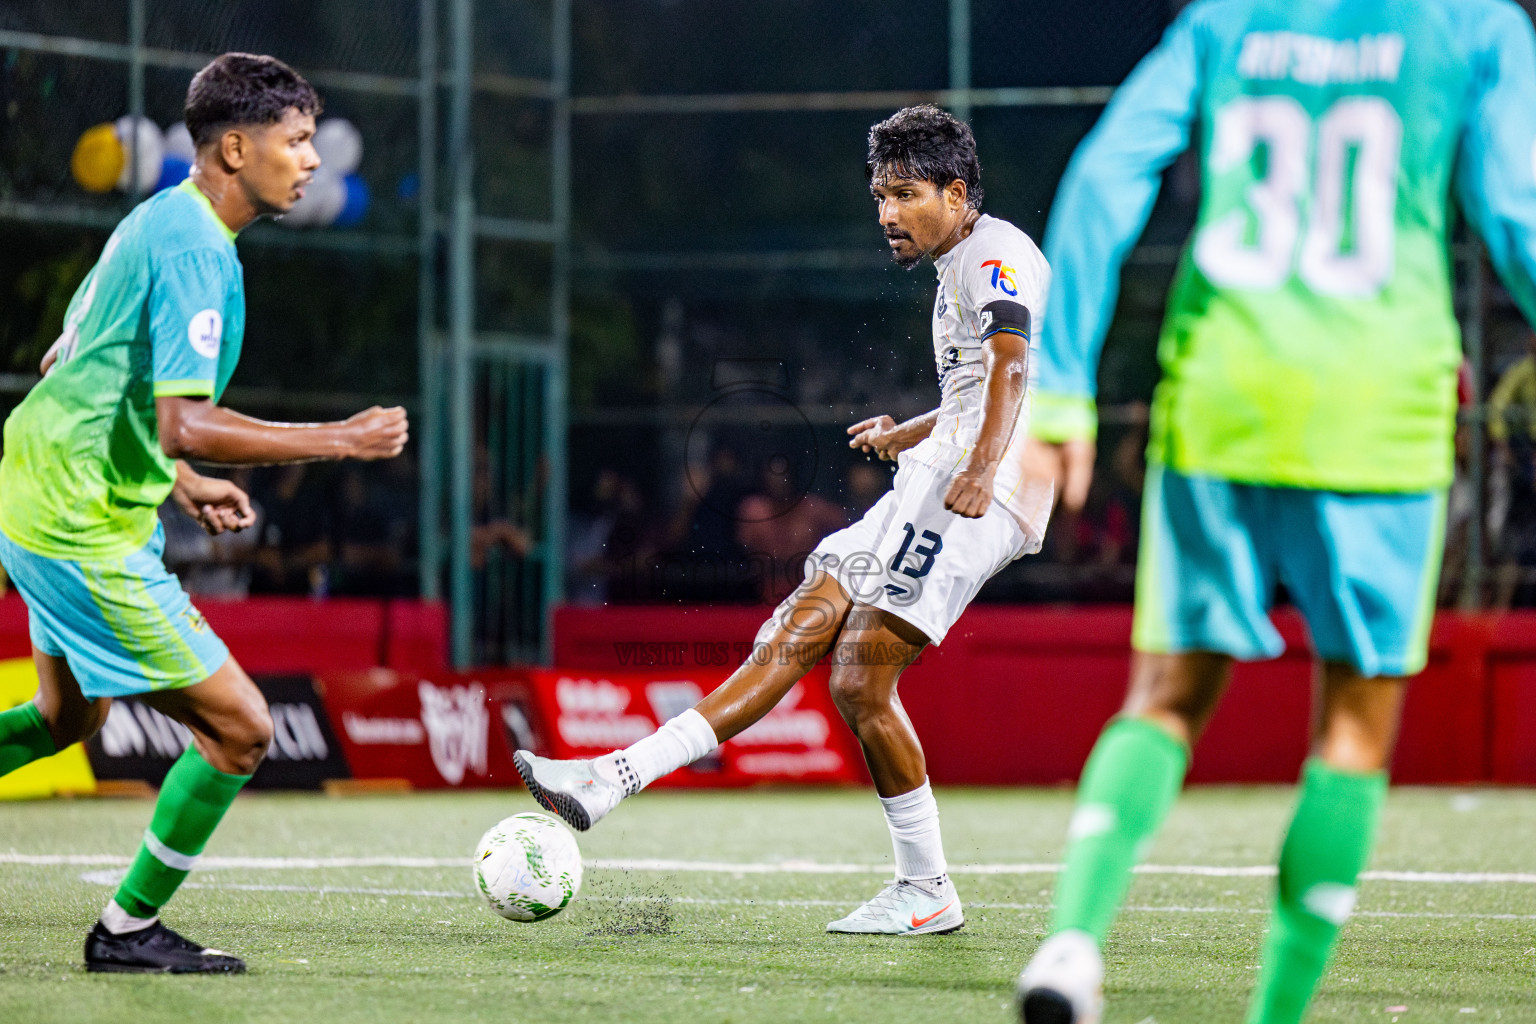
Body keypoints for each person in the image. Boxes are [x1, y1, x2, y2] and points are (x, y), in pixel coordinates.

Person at [1015, 2, 1536, 1023]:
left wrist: (1065, 381)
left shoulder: (1226, 19)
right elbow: (1517, 212)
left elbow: (1106, 173)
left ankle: (1071, 943)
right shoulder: (1478, 25)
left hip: (1223, 391)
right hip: (1380, 408)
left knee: (1165, 695)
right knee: (1351, 728)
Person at [515, 104, 1053, 936]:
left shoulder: (995, 253)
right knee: (798, 625)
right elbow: (977, 384)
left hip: (981, 483)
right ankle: (610, 778)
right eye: (878, 195)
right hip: (939, 466)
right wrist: (910, 430)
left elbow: (1014, 364)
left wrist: (979, 468)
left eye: (904, 194)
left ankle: (927, 889)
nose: (885, 214)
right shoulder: (959, 262)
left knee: (859, 676)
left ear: (956, 192)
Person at [0, 53, 408, 973]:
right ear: (235, 146)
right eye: (295, 141)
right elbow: (183, 421)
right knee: (241, 728)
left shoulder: (159, 221)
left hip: (38, 488)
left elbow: (80, 372)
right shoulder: (193, 250)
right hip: (80, 522)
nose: (310, 161)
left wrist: (178, 482)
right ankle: (128, 930)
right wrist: (338, 438)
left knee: (67, 720)